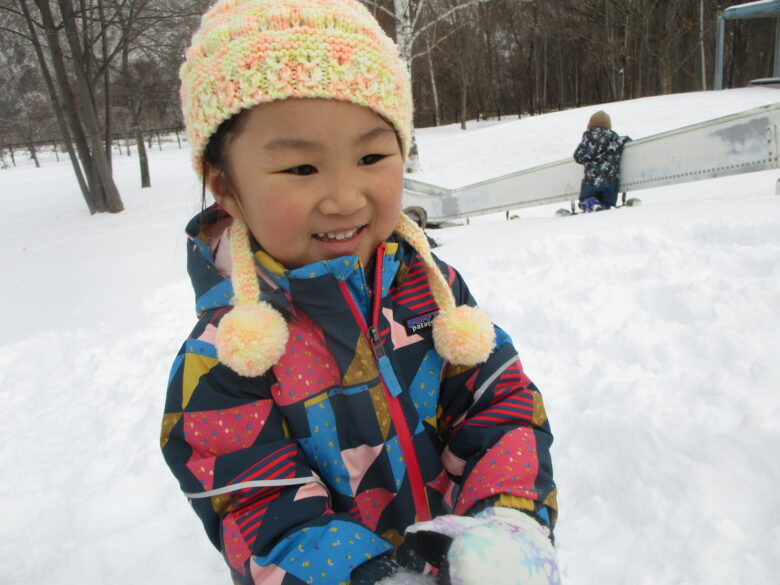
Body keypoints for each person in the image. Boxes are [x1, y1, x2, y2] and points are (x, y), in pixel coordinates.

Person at [160, 2, 558, 584]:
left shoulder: (431, 290)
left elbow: (499, 405)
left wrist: (507, 525)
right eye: (300, 169)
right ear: (226, 186)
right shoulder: (228, 356)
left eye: (371, 156)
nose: (345, 198)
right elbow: (258, 512)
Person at [573, 110, 631, 212]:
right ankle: (606, 208)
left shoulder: (587, 139)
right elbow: (626, 140)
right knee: (608, 203)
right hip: (610, 180)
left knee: (585, 198)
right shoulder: (615, 139)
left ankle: (591, 203)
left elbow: (578, 157)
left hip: (591, 180)